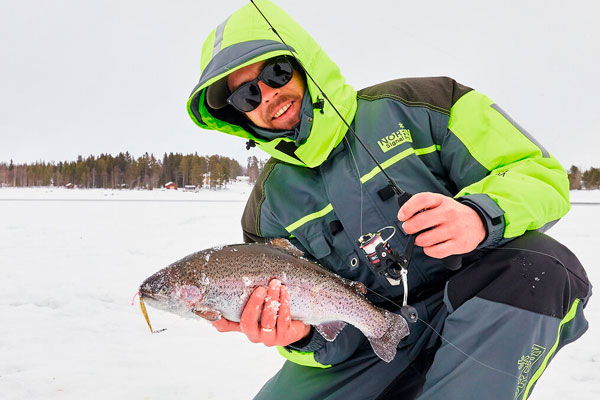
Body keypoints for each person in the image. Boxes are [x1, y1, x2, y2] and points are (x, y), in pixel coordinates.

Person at [186, 1, 592, 399]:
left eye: (276, 72)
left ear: (304, 61)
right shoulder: (266, 211)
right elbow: (331, 341)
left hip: (481, 304)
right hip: (371, 345)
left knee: (540, 265)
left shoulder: (426, 104)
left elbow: (541, 176)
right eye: (246, 97)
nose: (268, 96)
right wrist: (303, 336)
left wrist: (478, 215)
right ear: (239, 115)